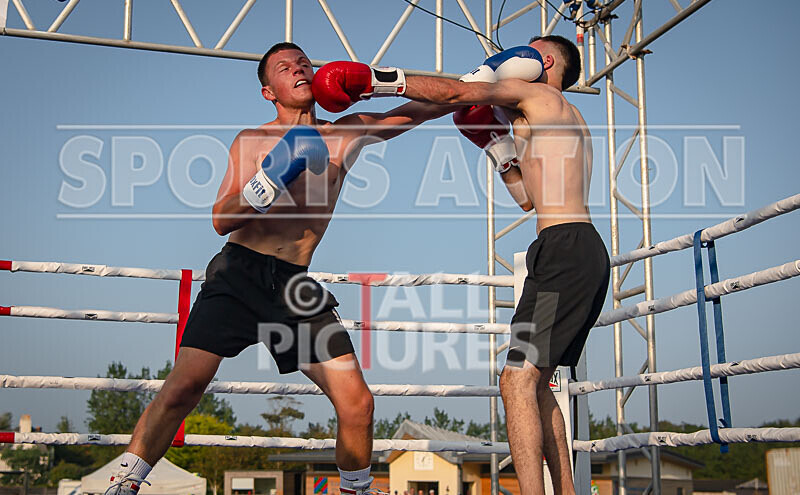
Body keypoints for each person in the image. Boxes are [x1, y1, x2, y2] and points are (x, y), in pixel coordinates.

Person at [103, 42, 456, 495]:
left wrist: (378, 84)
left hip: (294, 284)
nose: (300, 70)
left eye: (305, 63)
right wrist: (270, 179)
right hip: (239, 273)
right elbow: (220, 218)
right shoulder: (253, 139)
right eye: (285, 68)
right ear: (269, 91)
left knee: (357, 403)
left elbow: (428, 107)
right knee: (183, 389)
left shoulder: (343, 136)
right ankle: (123, 483)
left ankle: (355, 489)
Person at [312, 35, 610, 495]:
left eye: (525, 51)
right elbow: (529, 199)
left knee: (515, 381)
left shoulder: (539, 95)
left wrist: (377, 80)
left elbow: (456, 93)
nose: (515, 57)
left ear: (542, 61)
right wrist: (496, 147)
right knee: (535, 382)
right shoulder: (546, 116)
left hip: (566, 250)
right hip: (562, 247)